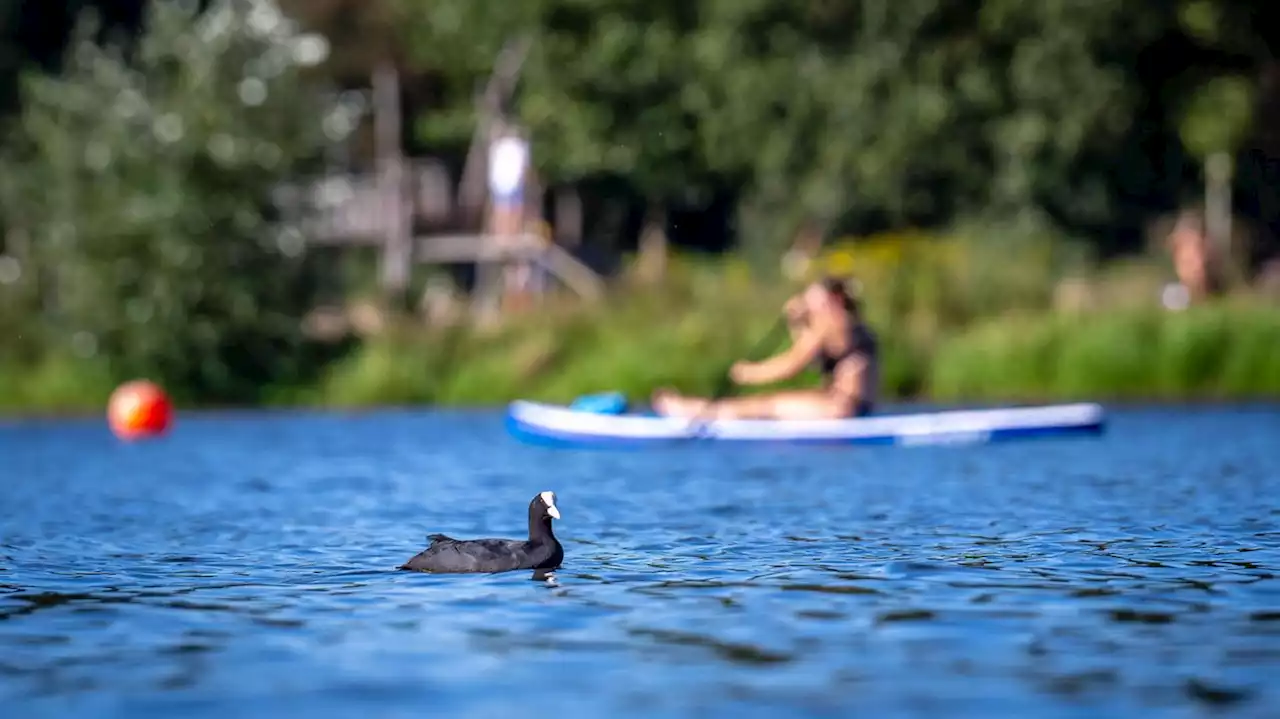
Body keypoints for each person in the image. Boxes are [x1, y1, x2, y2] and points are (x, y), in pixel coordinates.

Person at [651, 276, 879, 420]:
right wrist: (796, 322)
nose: (808, 305)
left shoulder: (831, 322)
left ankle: (690, 411)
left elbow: (793, 363)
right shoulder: (849, 323)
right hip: (853, 406)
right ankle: (694, 408)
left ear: (834, 299)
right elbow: (813, 361)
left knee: (766, 405)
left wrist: (748, 374)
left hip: (840, 409)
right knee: (767, 403)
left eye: (813, 300)